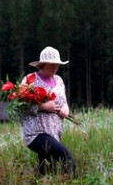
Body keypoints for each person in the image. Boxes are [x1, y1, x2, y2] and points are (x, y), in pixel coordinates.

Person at [21, 46, 76, 177]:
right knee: (65, 156)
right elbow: (21, 107)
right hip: (36, 133)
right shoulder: (30, 80)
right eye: (52, 64)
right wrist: (43, 107)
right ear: (43, 64)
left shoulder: (59, 80)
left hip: (54, 133)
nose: (55, 67)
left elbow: (64, 102)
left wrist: (65, 110)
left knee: (47, 169)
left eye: (57, 64)